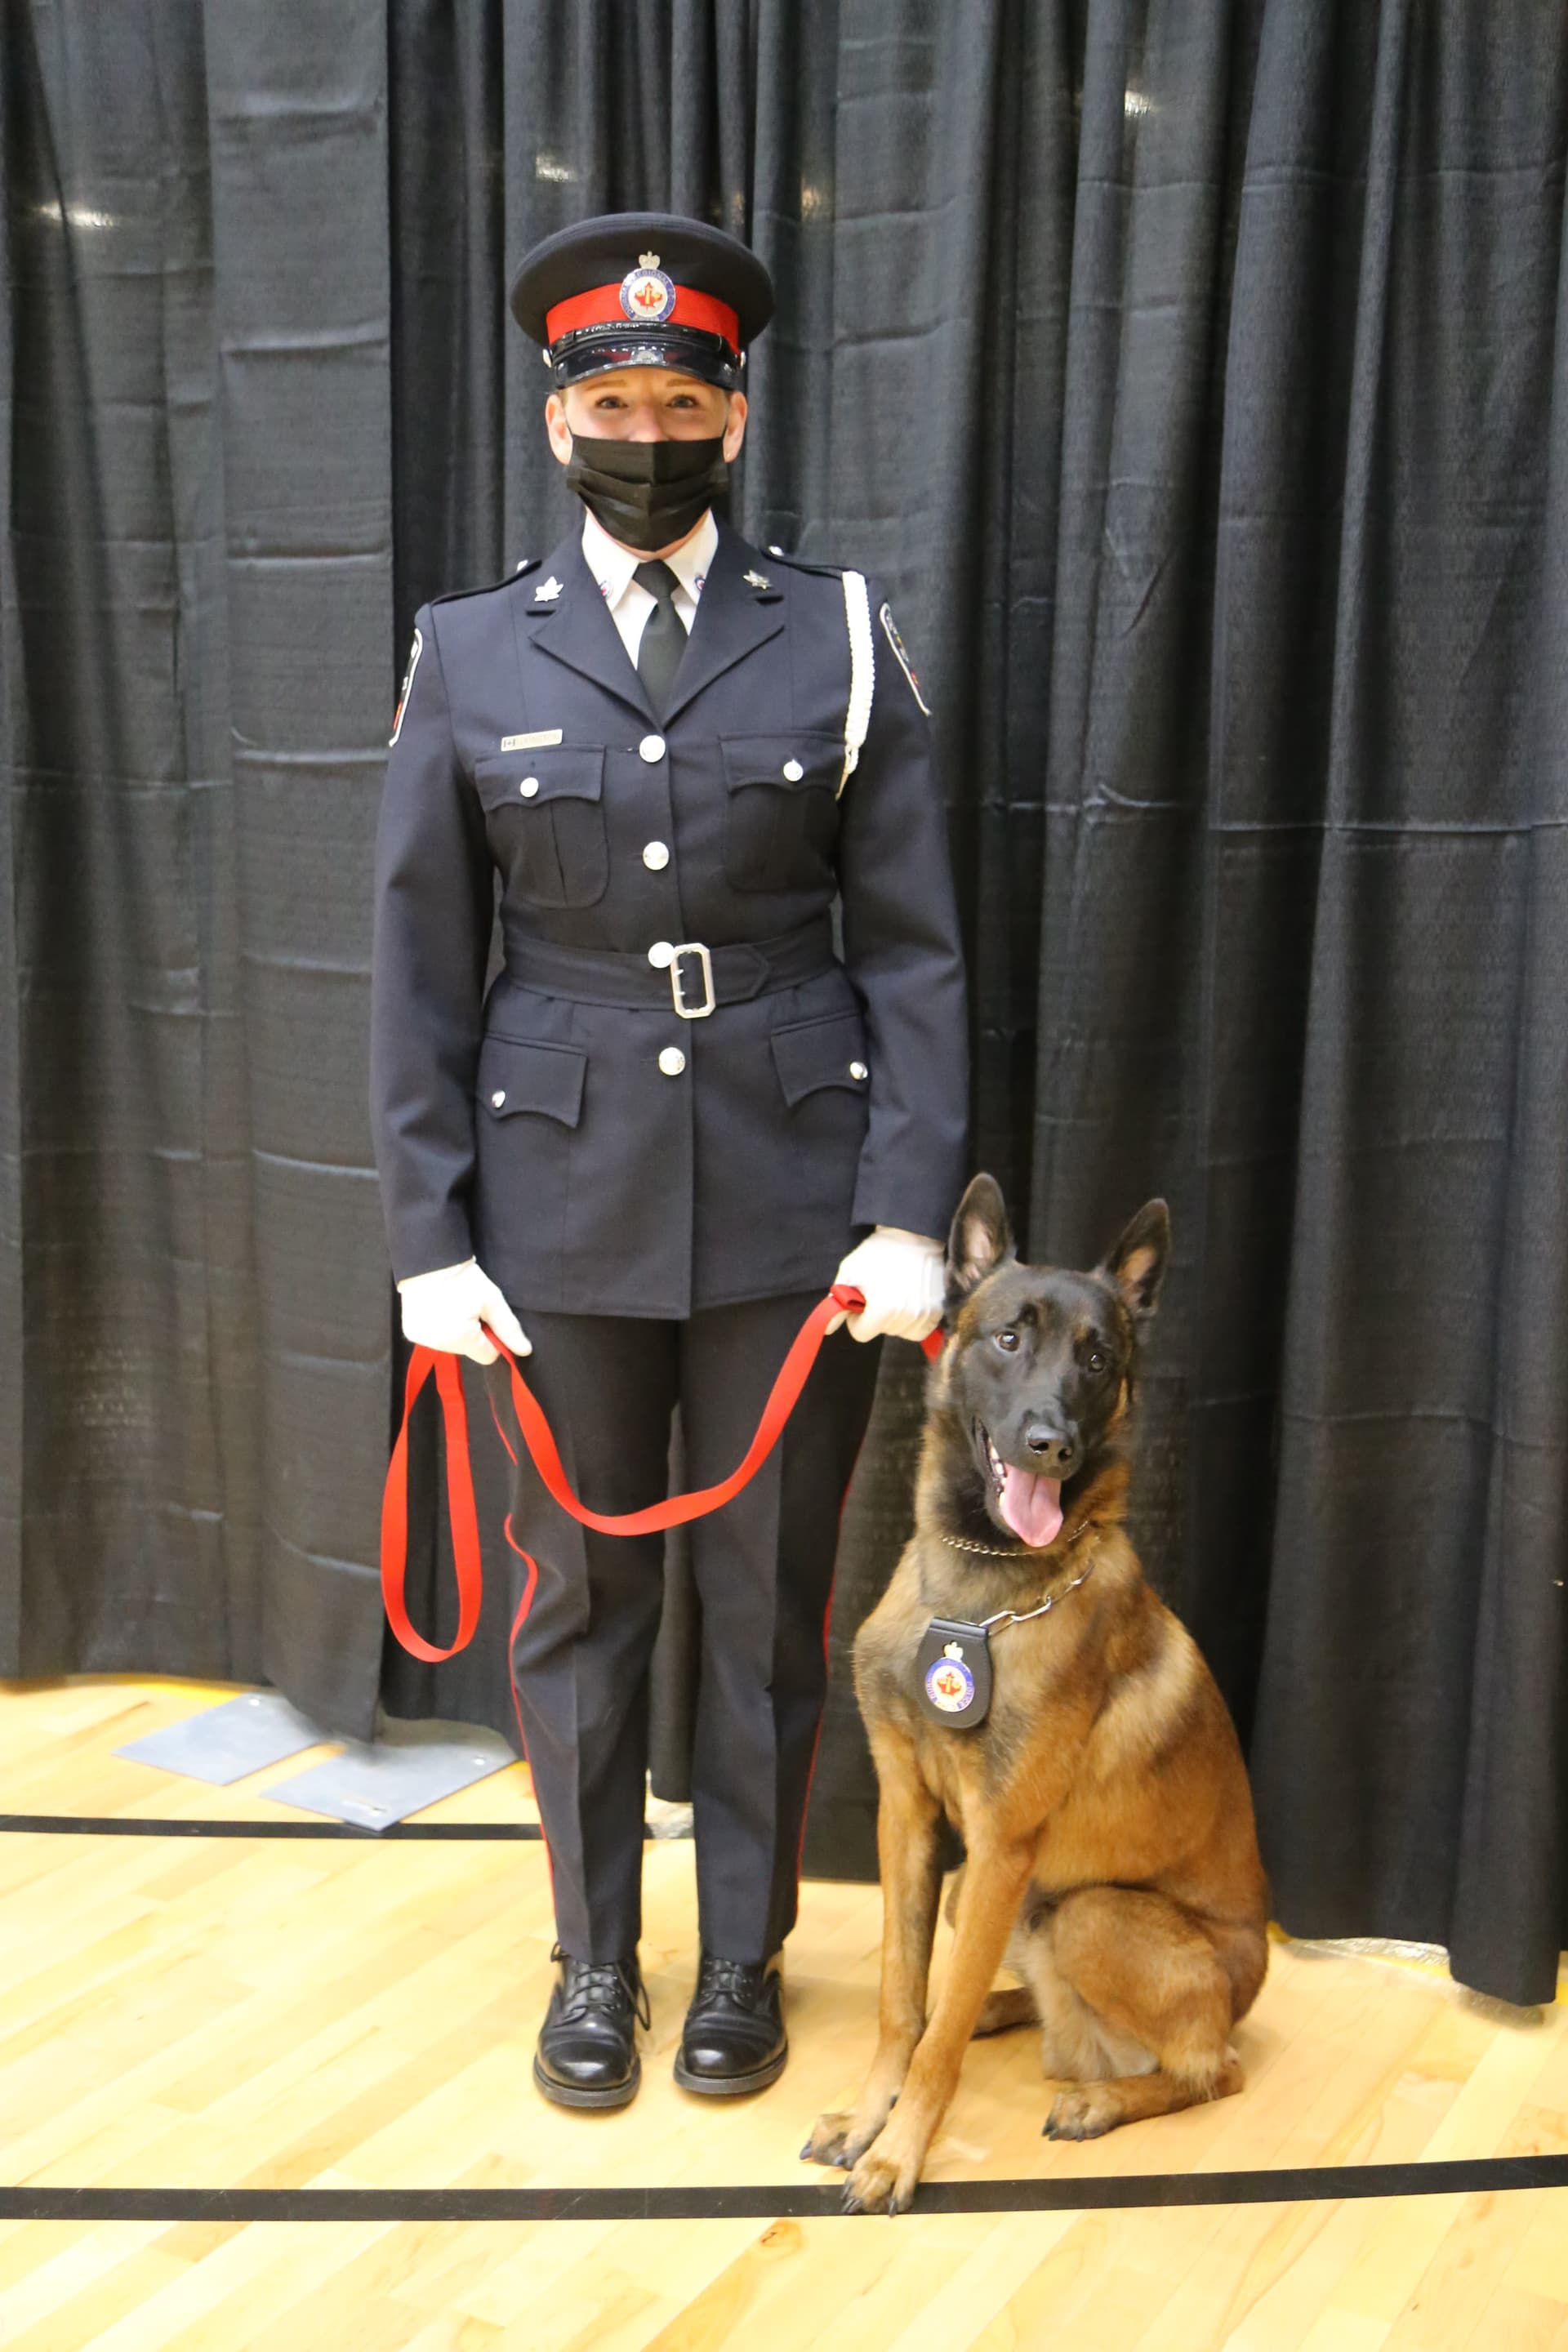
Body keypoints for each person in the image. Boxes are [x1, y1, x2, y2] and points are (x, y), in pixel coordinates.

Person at [369, 212, 968, 2109]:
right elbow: (413, 965)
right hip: (555, 1211)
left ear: (734, 409)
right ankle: (592, 1965)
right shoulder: (469, 653)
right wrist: (426, 1235)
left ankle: (746, 1962)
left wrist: (906, 1207)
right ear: (561, 422)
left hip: (798, 1208)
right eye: (613, 399)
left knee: (770, 1608)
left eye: (682, 397)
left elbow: (919, 948)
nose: (650, 430)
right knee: (578, 1607)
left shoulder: (843, 632)